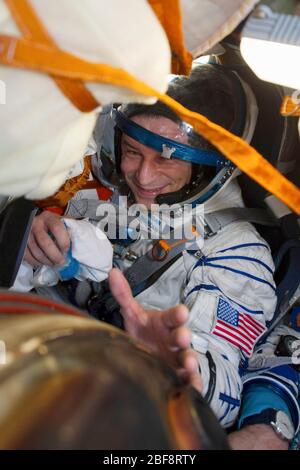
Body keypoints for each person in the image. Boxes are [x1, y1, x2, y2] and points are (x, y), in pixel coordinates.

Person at [19, 64, 299, 448]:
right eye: (132, 151)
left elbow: (225, 380)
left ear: (207, 167)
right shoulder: (108, 195)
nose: (143, 177)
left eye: (167, 159)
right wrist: (32, 242)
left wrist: (181, 373)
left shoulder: (235, 250)